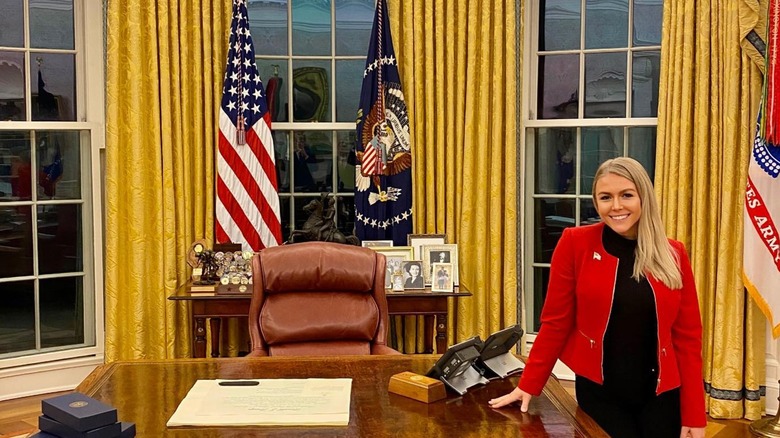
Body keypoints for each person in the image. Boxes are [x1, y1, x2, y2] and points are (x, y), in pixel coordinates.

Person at [489, 157, 705, 438]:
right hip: (600, 394)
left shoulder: (674, 253)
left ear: (644, 197)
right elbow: (555, 323)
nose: (616, 206)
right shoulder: (574, 244)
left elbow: (688, 338)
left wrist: (694, 415)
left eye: (626, 195)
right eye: (606, 197)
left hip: (662, 395)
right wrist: (529, 384)